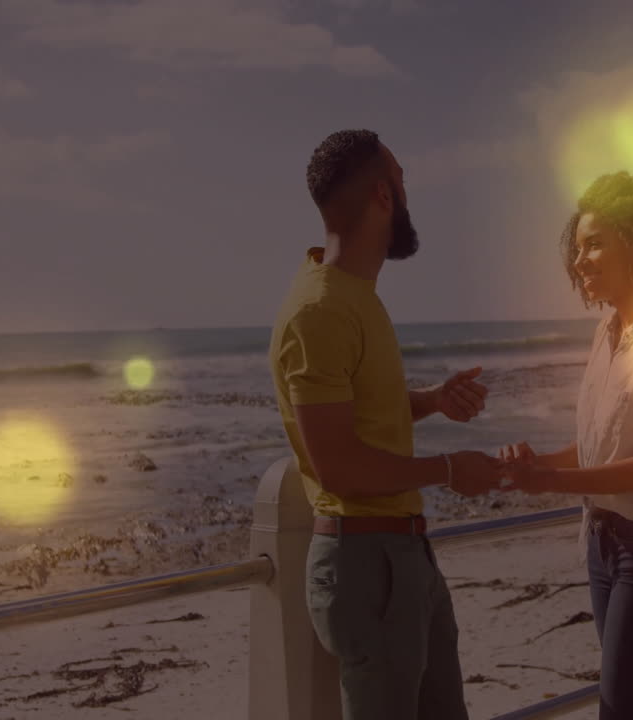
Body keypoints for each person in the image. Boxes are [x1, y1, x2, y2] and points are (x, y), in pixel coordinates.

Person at [269, 129, 502, 720]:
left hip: (402, 554)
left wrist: (429, 402)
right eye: (402, 180)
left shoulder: (354, 295)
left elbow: (362, 412)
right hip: (365, 564)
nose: (407, 195)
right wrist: (452, 469)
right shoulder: (319, 310)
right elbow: (339, 467)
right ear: (382, 195)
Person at [500, 171, 633, 719]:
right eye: (577, 248)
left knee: (621, 710)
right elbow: (601, 444)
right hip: (602, 545)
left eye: (594, 243)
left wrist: (549, 483)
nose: (580, 260)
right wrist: (539, 463)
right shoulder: (608, 333)